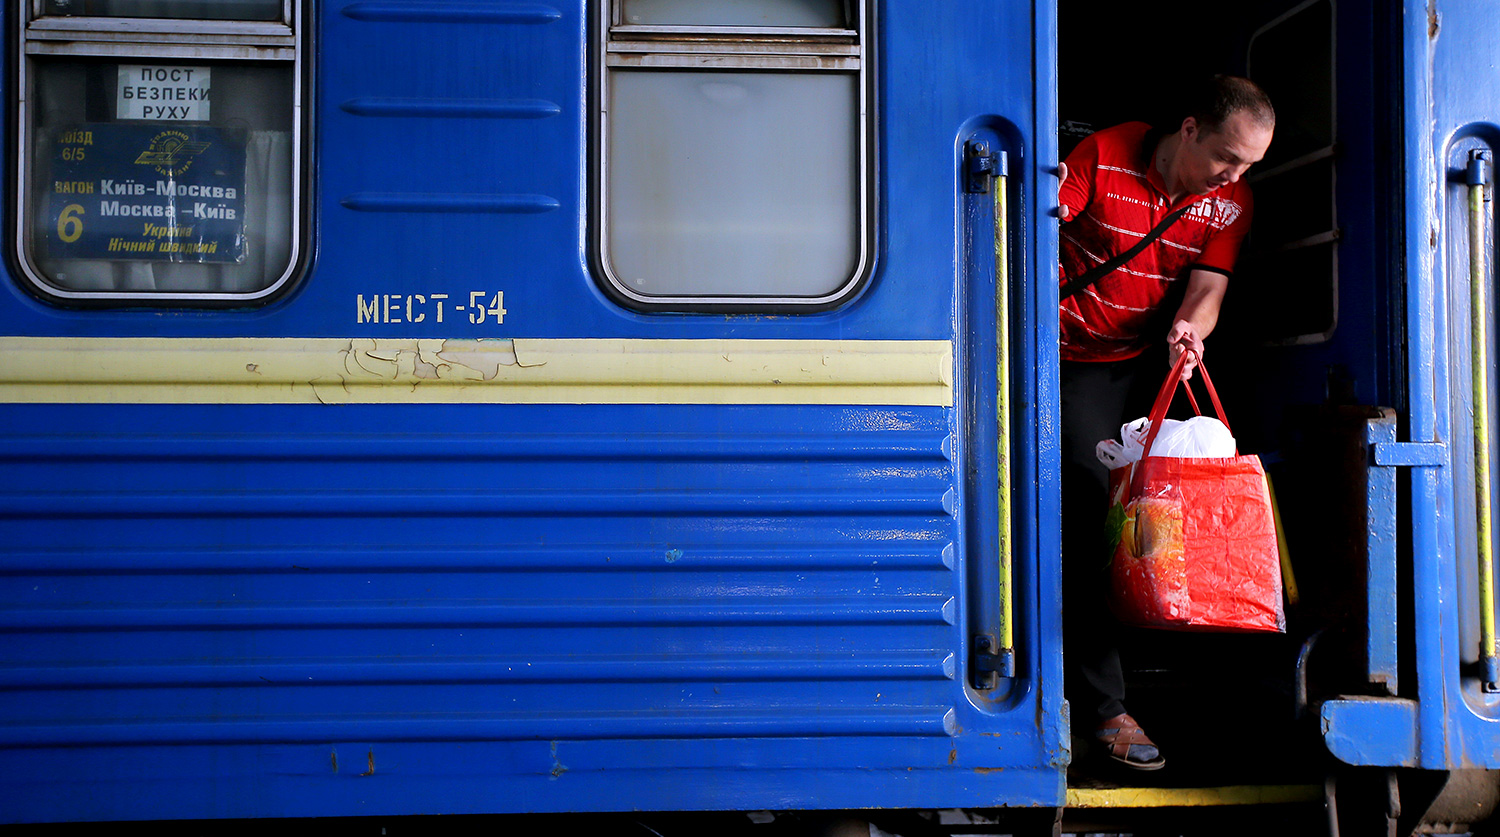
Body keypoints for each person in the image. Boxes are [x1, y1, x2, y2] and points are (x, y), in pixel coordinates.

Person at [1056, 75, 1275, 771]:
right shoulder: (1104, 155)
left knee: (1169, 506)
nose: (1236, 177)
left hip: (1138, 362)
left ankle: (1210, 685)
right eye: (1226, 159)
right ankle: (1103, 709)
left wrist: (1191, 327)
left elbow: (1208, 289)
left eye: (1249, 166)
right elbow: (1024, 231)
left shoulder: (1230, 201)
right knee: (1090, 508)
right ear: (1189, 129)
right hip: (1061, 358)